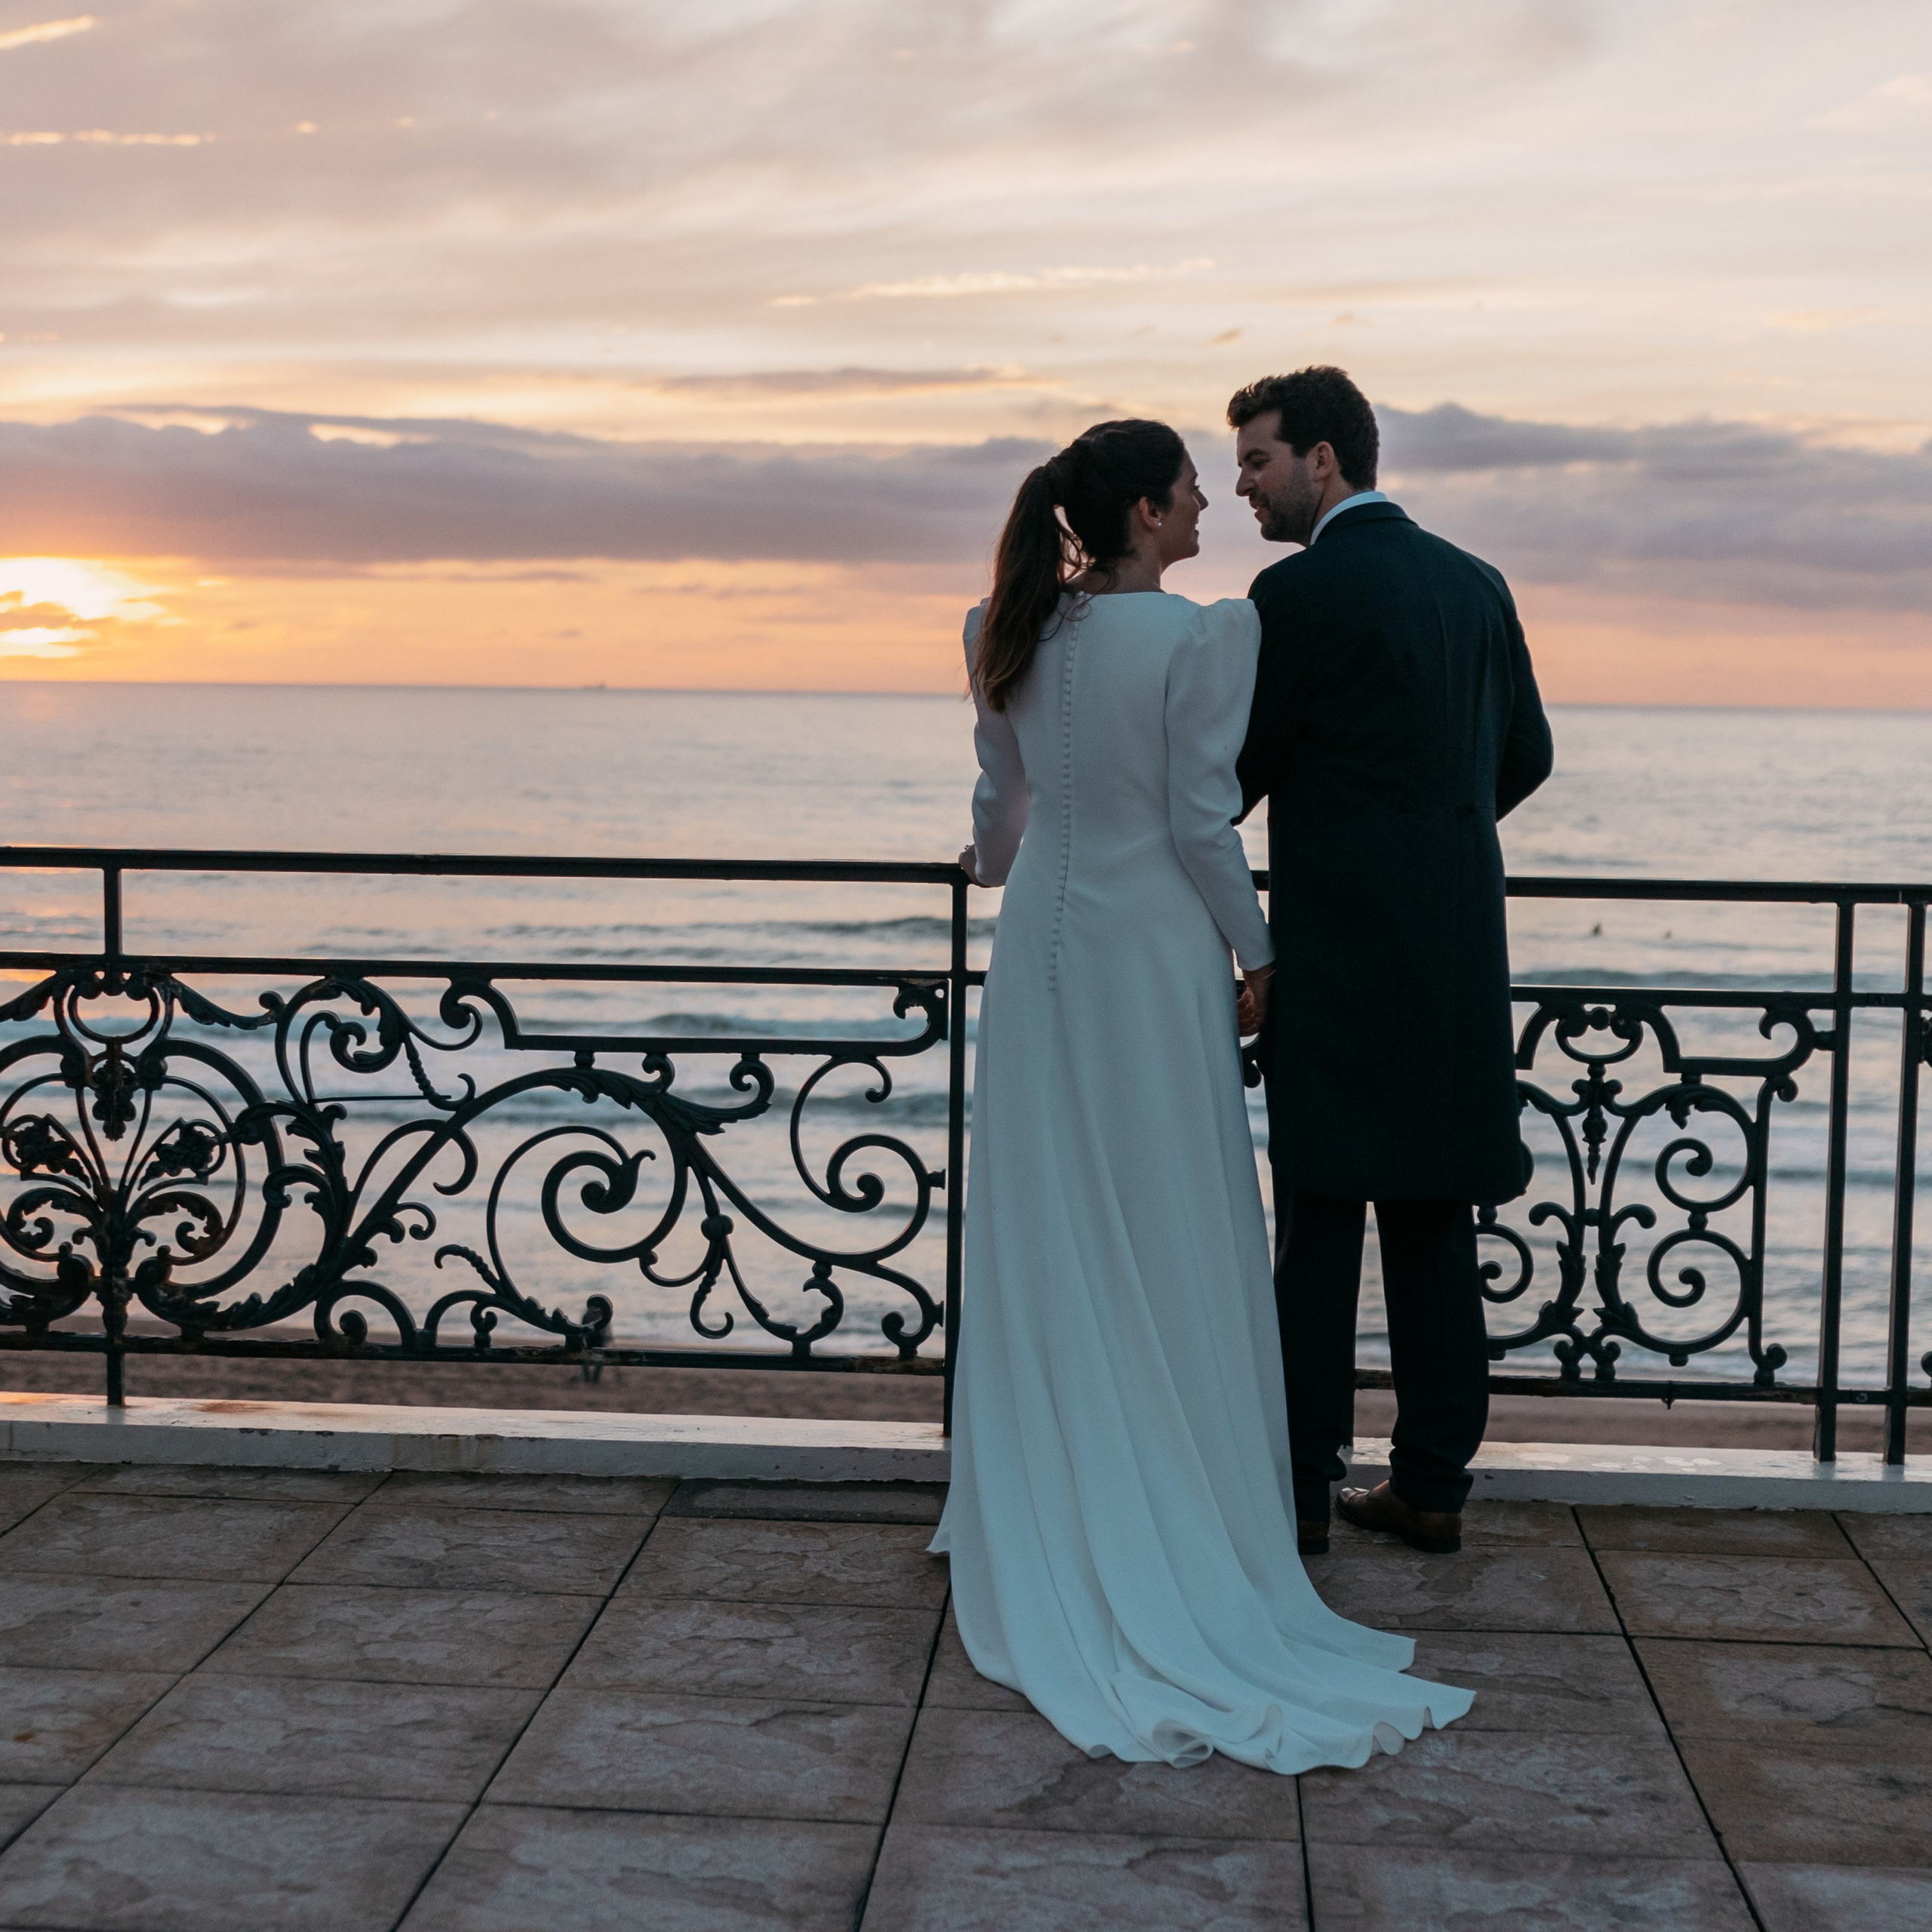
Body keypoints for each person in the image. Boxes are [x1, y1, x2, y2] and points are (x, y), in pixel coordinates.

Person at [930, 417, 1473, 1773]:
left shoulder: (1001, 628)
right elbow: (1195, 821)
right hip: (1155, 959)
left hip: (1037, 969)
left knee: (1051, 1217)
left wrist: (993, 863)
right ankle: (1173, 1510)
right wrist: (1264, 952)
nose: (1204, 508)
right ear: (1140, 511)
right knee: (1172, 1221)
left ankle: (1048, 1496)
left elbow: (999, 823)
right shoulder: (1198, 638)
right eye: (1186, 489)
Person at [1230, 366, 1554, 1560]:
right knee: (1432, 1224)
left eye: (1259, 461)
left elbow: (1237, 774)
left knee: (1317, 1227)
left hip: (1337, 953)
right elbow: (1525, 755)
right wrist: (1436, 842)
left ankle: (1303, 1490)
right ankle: (1431, 1487)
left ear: (1325, 459)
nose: (1246, 487)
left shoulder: (1296, 594)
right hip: (1460, 957)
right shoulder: (1477, 584)